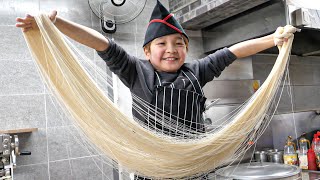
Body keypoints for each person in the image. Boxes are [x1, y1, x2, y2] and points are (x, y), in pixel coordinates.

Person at [16, 0, 295, 178]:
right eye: (162, 44)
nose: (171, 50)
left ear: (186, 48)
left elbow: (232, 51)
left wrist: (273, 39)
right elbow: (101, 43)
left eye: (178, 43)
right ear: (147, 52)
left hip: (193, 170)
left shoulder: (198, 71)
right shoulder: (136, 70)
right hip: (152, 171)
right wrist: (57, 23)